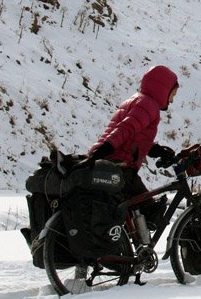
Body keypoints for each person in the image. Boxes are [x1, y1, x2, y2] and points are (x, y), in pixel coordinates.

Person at [74, 64, 179, 229]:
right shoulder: (148, 105)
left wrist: (156, 150)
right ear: (163, 89)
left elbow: (134, 137)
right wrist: (104, 151)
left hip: (111, 160)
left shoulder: (138, 100)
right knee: (150, 213)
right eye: (172, 94)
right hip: (118, 166)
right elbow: (124, 130)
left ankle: (131, 245)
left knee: (132, 213)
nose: (171, 100)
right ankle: (132, 250)